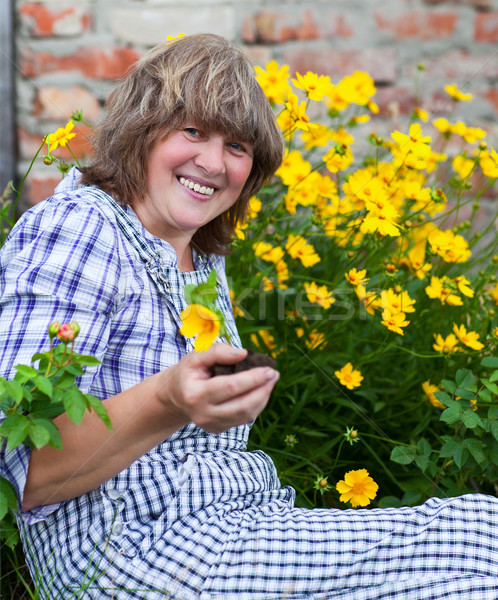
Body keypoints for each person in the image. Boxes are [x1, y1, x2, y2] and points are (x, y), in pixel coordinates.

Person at [0, 33, 497, 600]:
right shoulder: (78, 230)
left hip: (235, 525)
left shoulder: (202, 253)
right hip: (136, 552)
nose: (212, 163)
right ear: (139, 130)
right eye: (191, 131)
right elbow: (31, 476)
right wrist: (170, 399)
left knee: (482, 532)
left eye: (237, 146)